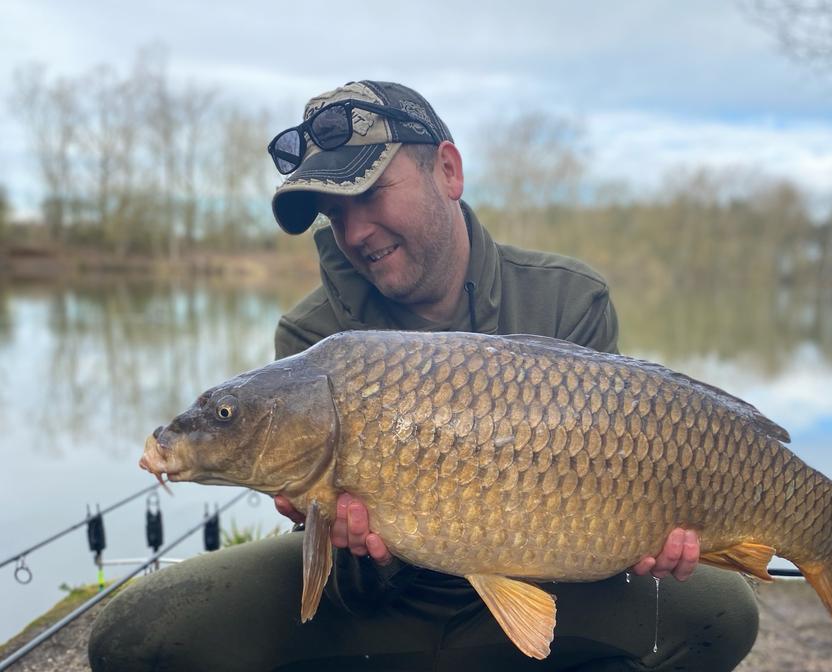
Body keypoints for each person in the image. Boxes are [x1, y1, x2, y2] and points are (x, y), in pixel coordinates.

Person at [89, 81, 758, 671]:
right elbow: (333, 577)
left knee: (723, 609)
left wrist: (644, 535)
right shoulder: (310, 337)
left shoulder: (567, 298)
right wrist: (363, 554)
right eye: (333, 212)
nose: (355, 230)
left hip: (552, 583)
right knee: (135, 636)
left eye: (368, 193)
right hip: (380, 607)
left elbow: (617, 490)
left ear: (447, 169)